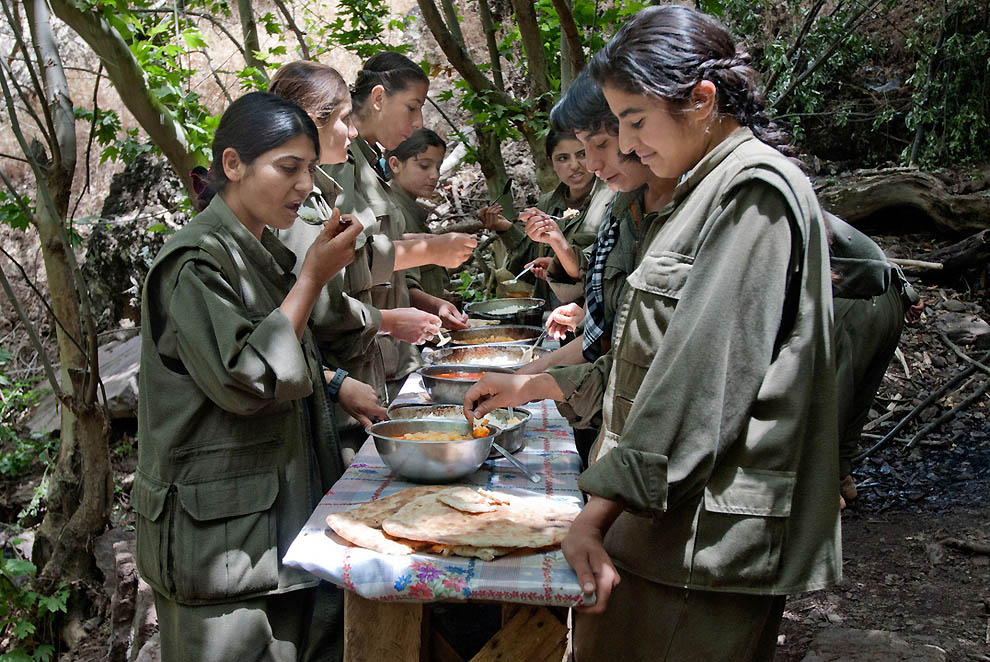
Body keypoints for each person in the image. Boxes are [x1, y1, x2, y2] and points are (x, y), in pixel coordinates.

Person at [464, 6, 841, 660]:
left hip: (702, 541)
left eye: (635, 122)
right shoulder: (691, 195)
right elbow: (639, 360)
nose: (629, 146)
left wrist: (596, 512)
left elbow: (699, 380)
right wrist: (536, 385)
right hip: (660, 526)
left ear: (701, 100)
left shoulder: (752, 193)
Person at [134, 91, 364, 662]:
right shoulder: (195, 264)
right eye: (288, 168)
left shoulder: (257, 254)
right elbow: (248, 379)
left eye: (310, 169)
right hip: (222, 552)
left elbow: (291, 359)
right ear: (233, 164)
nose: (305, 185)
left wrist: (336, 384)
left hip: (277, 531)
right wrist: (311, 279)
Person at [330, 51, 476, 405]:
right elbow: (345, 260)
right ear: (379, 98)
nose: (418, 121)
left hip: (386, 356)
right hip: (357, 361)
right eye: (412, 107)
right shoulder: (340, 159)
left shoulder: (367, 161)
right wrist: (431, 251)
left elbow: (377, 244)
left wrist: (424, 246)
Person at [268, 60, 387, 434]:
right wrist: (386, 321)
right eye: (344, 119)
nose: (353, 131)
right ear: (310, 122)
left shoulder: (319, 195)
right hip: (328, 412)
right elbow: (307, 320)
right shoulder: (293, 207)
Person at [827, 213, 922, 505]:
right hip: (892, 297)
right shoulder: (803, 201)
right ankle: (841, 478)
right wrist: (910, 294)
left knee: (828, 399)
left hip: (858, 304)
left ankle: (823, 491)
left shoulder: (765, 203)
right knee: (855, 398)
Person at [478, 128, 613, 305]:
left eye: (582, 154)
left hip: (592, 309)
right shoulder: (548, 202)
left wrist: (560, 264)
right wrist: (505, 229)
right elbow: (528, 261)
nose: (574, 165)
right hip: (551, 310)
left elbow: (604, 269)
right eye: (563, 158)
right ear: (552, 163)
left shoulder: (612, 200)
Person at [387, 128, 470, 324]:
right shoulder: (393, 211)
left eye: (438, 167)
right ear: (395, 164)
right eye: (424, 166)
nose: (434, 175)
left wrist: (441, 295)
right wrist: (436, 306)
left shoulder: (410, 209)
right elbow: (403, 286)